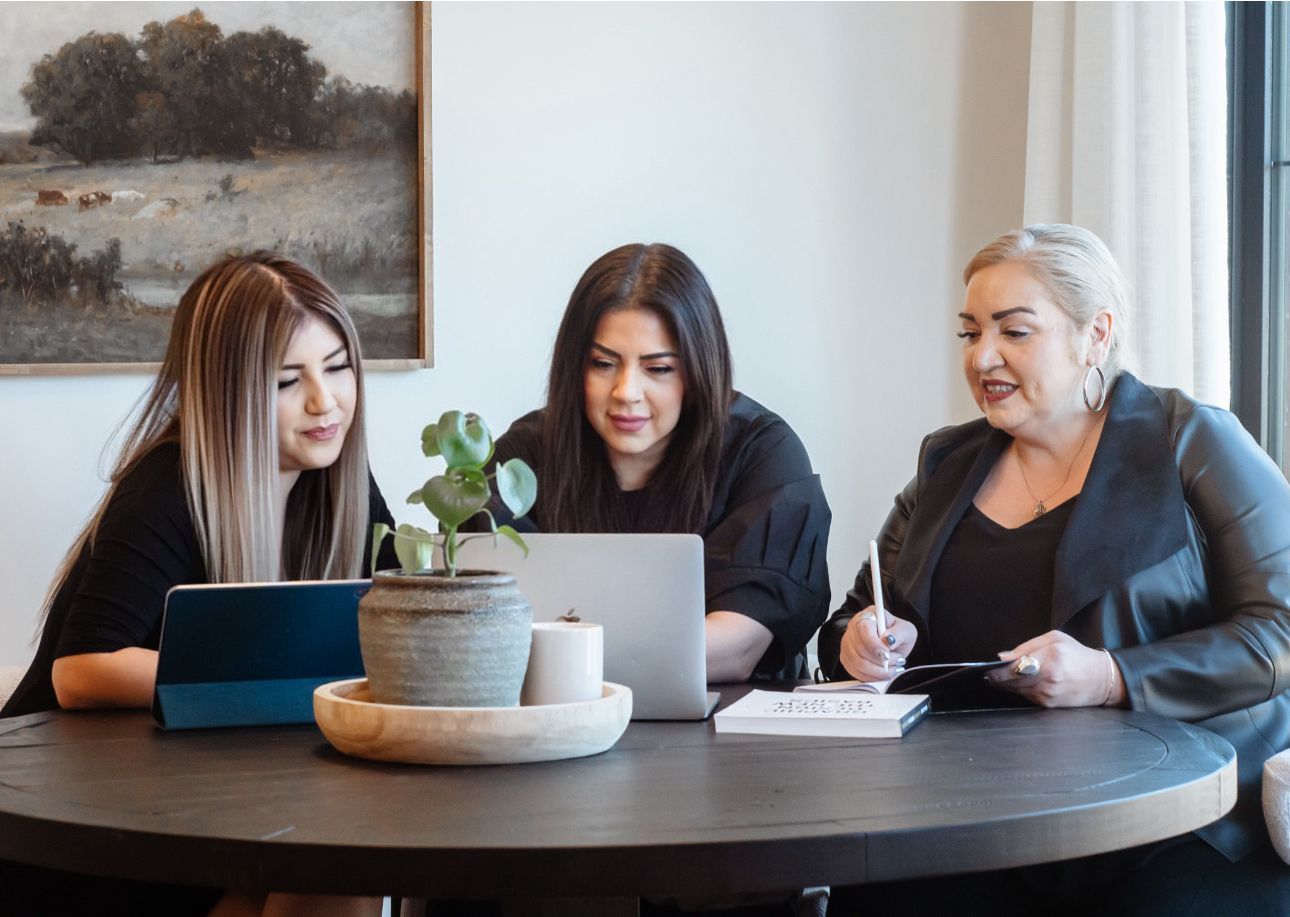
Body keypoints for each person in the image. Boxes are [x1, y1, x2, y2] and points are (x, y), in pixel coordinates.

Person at [819, 224, 1290, 914]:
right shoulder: (943, 465)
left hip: (1180, 822)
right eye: (970, 332)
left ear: (1094, 335)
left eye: (1014, 331)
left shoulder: (1190, 438)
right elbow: (852, 619)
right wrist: (857, 642)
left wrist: (1112, 676)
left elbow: (1278, 630)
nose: (983, 357)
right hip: (972, 820)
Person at [1, 253, 393, 917]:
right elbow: (81, 668)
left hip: (220, 803)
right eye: (286, 380)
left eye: (338, 366)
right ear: (229, 389)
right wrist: (272, 684)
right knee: (333, 857)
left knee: (343, 855)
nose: (325, 401)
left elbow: (397, 622)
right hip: (83, 831)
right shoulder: (165, 487)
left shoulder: (342, 486)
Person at [481, 242, 831, 683]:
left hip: (731, 737)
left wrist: (566, 654)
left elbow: (737, 647)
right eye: (603, 363)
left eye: (659, 369)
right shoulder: (523, 460)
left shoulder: (761, 452)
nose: (626, 391)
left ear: (700, 368)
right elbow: (481, 620)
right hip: (557, 727)